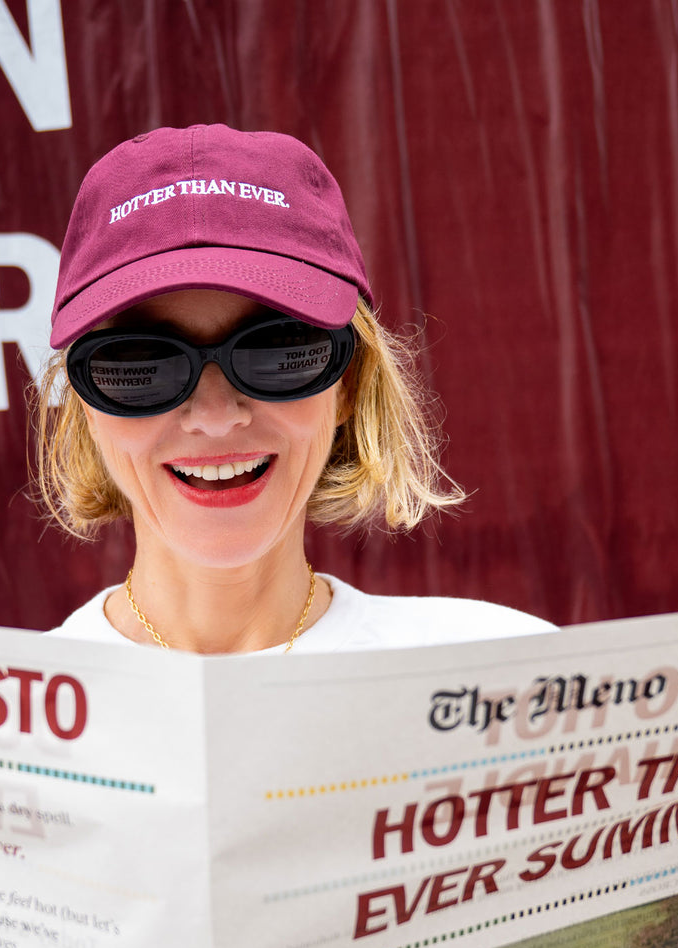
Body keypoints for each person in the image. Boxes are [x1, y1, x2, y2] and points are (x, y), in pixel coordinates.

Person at [37, 123, 553, 653]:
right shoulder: (16, 719)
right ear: (86, 404)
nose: (216, 415)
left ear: (349, 383)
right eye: (140, 365)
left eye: (278, 352)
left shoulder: (507, 673)